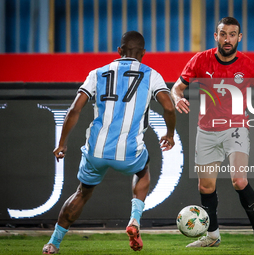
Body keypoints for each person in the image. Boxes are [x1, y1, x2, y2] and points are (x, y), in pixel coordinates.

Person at [42, 31, 176, 254]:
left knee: (82, 193)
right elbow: (169, 107)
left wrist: (62, 142)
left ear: (119, 51)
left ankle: (52, 244)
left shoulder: (97, 73)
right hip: (129, 152)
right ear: (143, 53)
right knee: (143, 171)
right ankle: (134, 220)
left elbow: (75, 108)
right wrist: (170, 134)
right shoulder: (151, 75)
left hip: (97, 149)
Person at [171, 17, 254, 249]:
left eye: (232, 34)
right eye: (223, 34)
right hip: (206, 131)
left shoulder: (249, 65)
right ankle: (213, 236)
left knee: (239, 180)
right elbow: (176, 87)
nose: (227, 39)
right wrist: (178, 98)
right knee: (205, 187)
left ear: (239, 38)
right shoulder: (200, 60)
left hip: (236, 128)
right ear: (215, 36)